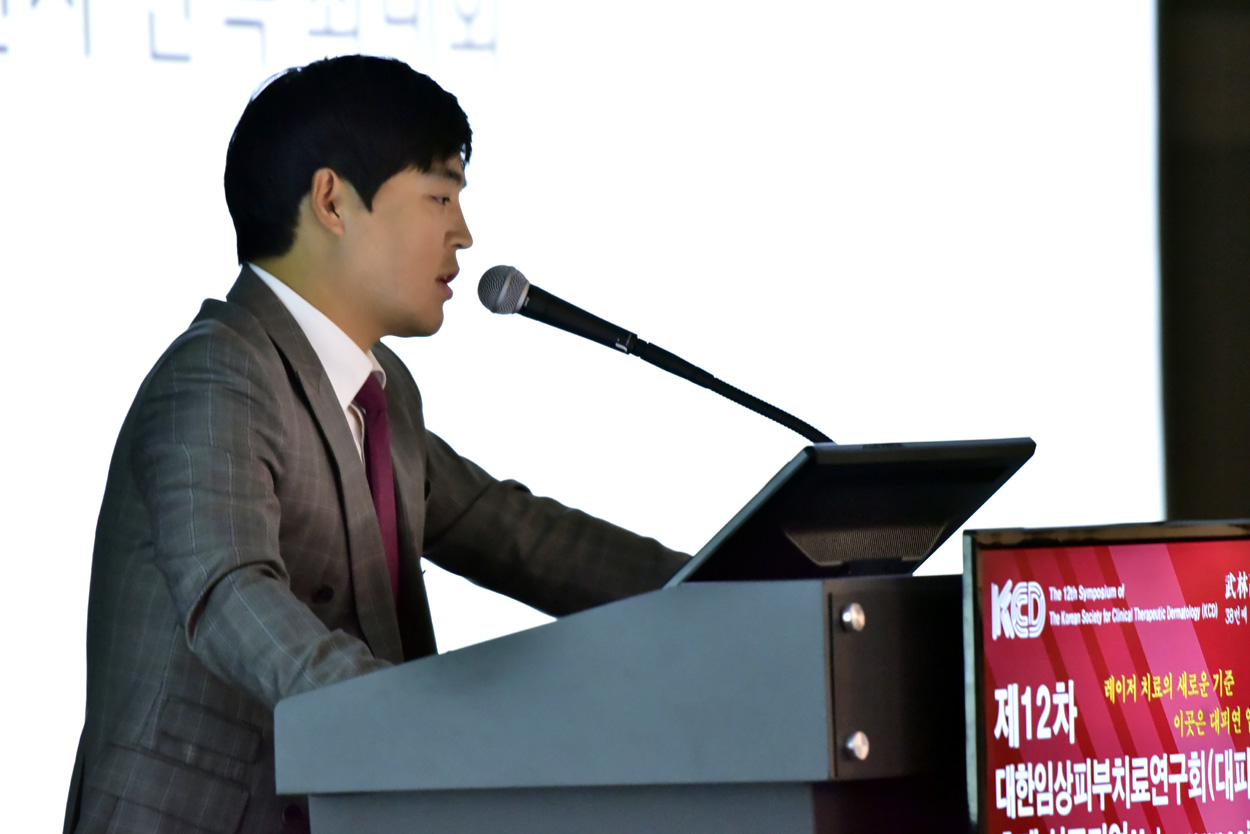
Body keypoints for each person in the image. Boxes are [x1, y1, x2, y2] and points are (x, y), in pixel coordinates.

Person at [64, 55, 686, 834]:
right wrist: (422, 722)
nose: (464, 233)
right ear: (332, 201)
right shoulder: (218, 373)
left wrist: (722, 583)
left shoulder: (377, 388)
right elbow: (231, 593)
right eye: (440, 196)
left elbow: (516, 533)